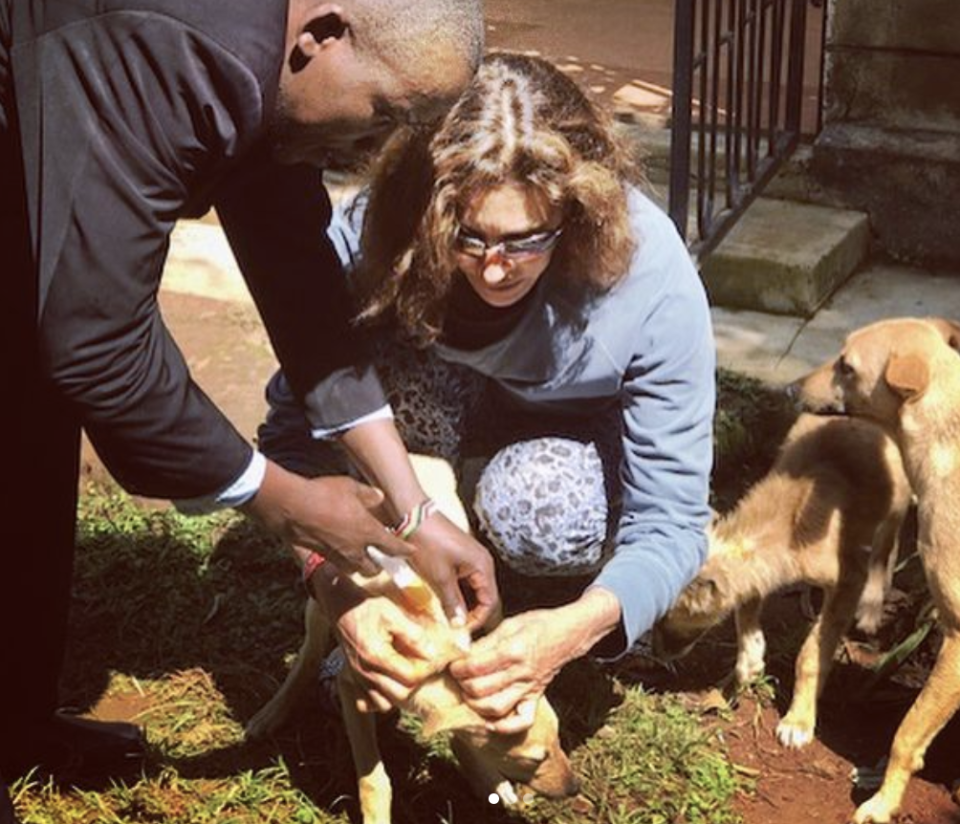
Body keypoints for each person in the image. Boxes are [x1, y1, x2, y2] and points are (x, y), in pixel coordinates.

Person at [0, 0, 497, 809]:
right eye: (385, 111)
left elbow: (301, 282)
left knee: (28, 405)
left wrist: (413, 506)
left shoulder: (273, 41)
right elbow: (97, 341)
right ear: (325, 33)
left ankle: (14, 726)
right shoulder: (179, 49)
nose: (375, 148)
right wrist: (283, 498)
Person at [260, 51, 716, 727]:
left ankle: (505, 550)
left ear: (580, 207)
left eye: (526, 239)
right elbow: (291, 441)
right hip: (431, 432)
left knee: (541, 505)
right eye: (468, 237)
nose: (495, 268)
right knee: (383, 373)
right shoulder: (377, 234)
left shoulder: (652, 281)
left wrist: (581, 624)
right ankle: (407, 577)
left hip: (561, 448)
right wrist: (332, 580)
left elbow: (674, 519)